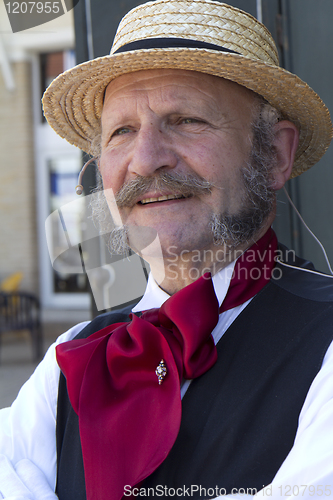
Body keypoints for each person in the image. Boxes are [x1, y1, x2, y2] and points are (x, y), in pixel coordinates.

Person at [1, 0, 333, 499]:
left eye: (186, 120)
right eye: (122, 131)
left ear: (274, 154)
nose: (146, 160)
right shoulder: (66, 363)